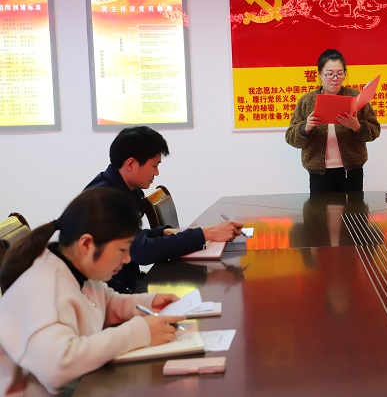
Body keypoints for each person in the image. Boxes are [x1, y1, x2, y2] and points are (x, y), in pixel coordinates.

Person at [0, 188, 185, 395]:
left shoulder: (75, 266)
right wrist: (140, 332)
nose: (127, 259)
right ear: (87, 244)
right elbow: (59, 367)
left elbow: (105, 302)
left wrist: (149, 303)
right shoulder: (47, 290)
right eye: (122, 250)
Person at [86, 126, 243, 293]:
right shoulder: (105, 199)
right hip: (111, 294)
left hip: (127, 283)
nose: (157, 172)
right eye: (154, 166)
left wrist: (162, 232)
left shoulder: (126, 189)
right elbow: (141, 251)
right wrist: (205, 234)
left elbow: (128, 237)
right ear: (131, 164)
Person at [286, 49, 381, 193]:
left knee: (354, 207)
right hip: (318, 172)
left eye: (340, 73)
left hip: (352, 170)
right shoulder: (307, 100)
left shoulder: (355, 97)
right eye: (330, 74)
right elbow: (291, 138)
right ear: (320, 74)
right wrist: (306, 128)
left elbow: (375, 131)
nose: (335, 78)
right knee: (319, 208)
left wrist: (357, 127)